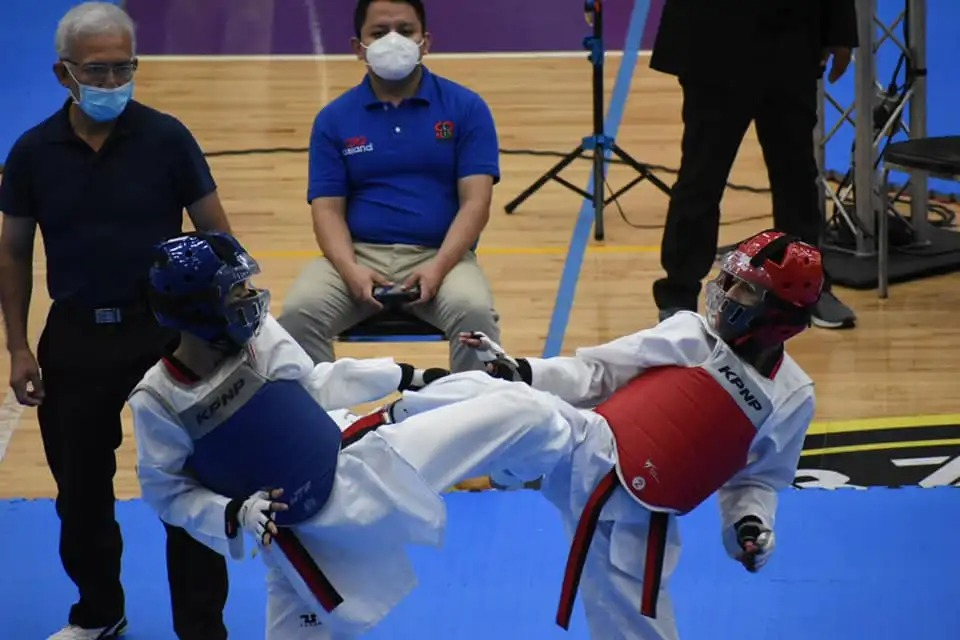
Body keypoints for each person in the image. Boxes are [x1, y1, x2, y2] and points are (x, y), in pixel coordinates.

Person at [128, 231, 575, 639]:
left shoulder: (258, 335)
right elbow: (166, 492)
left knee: (512, 408)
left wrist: (406, 374)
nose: (251, 299)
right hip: (297, 538)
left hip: (364, 465)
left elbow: (315, 384)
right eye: (236, 292)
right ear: (198, 309)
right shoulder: (160, 401)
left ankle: (546, 453)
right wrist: (233, 513)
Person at [389, 230, 823, 639]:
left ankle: (471, 450)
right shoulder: (691, 334)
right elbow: (597, 372)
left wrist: (749, 525)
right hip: (587, 448)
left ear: (779, 317)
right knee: (518, 409)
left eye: (743, 289)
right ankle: (388, 421)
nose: (724, 294)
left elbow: (759, 478)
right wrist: (523, 371)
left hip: (641, 517)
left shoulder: (791, 395)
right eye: (727, 279)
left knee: (635, 627)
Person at [0, 3, 232, 638]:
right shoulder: (30, 153)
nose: (111, 84)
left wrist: (226, 333)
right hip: (75, 340)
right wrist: (19, 348)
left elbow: (218, 237)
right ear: (62, 73)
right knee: (79, 496)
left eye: (123, 68)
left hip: (167, 336)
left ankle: (202, 630)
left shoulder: (168, 138)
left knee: (191, 491)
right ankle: (100, 613)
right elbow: (14, 250)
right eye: (96, 71)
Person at [278, 0, 502, 372]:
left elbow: (476, 203)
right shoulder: (334, 119)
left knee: (474, 313)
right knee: (300, 314)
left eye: (406, 30)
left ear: (425, 42)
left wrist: (439, 267)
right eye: (379, 33)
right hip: (358, 254)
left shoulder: (466, 108)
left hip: (442, 257)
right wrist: (350, 269)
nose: (393, 41)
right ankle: (327, 424)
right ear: (358, 47)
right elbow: (327, 210)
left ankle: (471, 416)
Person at [649, 0, 859, 329]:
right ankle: (679, 293)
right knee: (702, 175)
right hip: (715, 41)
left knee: (798, 177)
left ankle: (805, 289)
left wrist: (840, 30)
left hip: (791, 38)